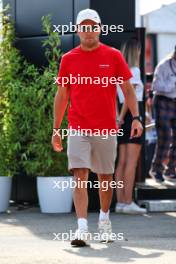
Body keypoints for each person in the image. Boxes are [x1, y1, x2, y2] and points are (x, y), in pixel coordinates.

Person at [51, 9, 143, 247]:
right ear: (79, 29)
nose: (89, 31)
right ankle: (81, 228)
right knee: (79, 175)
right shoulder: (68, 59)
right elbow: (62, 96)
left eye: (93, 26)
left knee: (105, 178)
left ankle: (104, 220)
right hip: (78, 126)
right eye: (85, 26)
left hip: (105, 128)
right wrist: (56, 129)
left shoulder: (113, 56)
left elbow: (128, 90)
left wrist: (136, 117)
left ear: (100, 29)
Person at [115, 39, 146, 214]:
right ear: (136, 51)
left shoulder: (118, 72)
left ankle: (121, 202)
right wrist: (121, 117)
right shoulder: (134, 71)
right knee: (131, 163)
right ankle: (127, 202)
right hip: (133, 116)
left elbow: (115, 97)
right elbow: (130, 96)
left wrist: (117, 117)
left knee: (122, 161)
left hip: (122, 116)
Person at [149, 46, 176, 182]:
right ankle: (156, 169)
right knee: (164, 136)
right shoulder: (164, 65)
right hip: (163, 101)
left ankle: (171, 170)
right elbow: (156, 87)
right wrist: (173, 84)